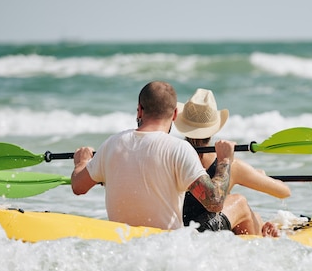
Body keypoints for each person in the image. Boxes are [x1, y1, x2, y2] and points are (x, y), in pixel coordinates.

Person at [71, 81, 236, 231]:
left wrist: (82, 162)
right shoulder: (180, 149)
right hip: (164, 248)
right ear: (175, 114)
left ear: (140, 110)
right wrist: (224, 160)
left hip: (121, 245)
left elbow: (78, 187)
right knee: (238, 202)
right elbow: (215, 202)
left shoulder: (111, 144)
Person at [175, 88, 291, 237]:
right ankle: (261, 240)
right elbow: (284, 192)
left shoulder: (173, 155)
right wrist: (261, 175)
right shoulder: (231, 165)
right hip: (204, 233)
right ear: (213, 129)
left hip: (178, 230)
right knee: (239, 202)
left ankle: (260, 225)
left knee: (254, 215)